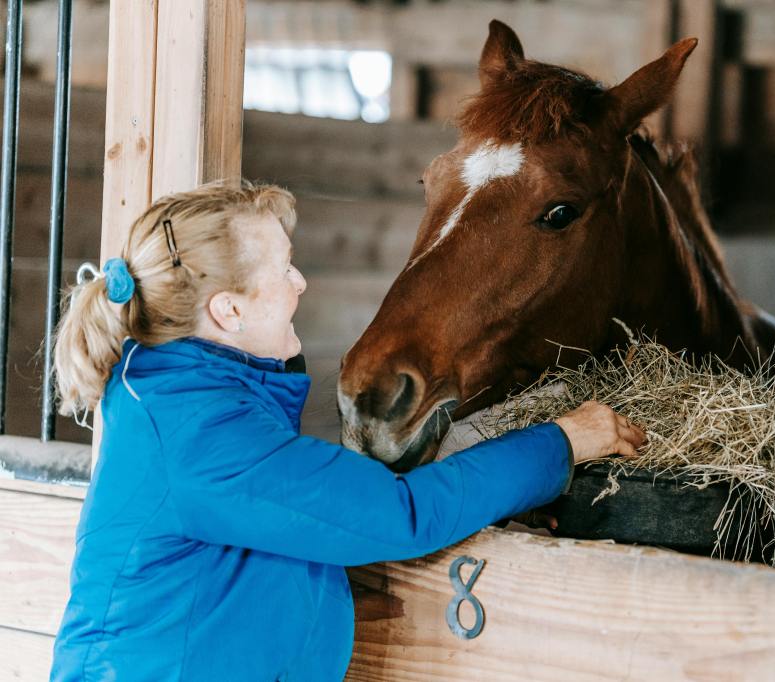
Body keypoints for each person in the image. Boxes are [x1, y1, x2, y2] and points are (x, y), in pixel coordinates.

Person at [49, 180, 645, 681]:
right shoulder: (201, 434)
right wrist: (562, 443)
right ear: (228, 312)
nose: (300, 282)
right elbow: (400, 515)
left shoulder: (177, 397)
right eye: (284, 269)